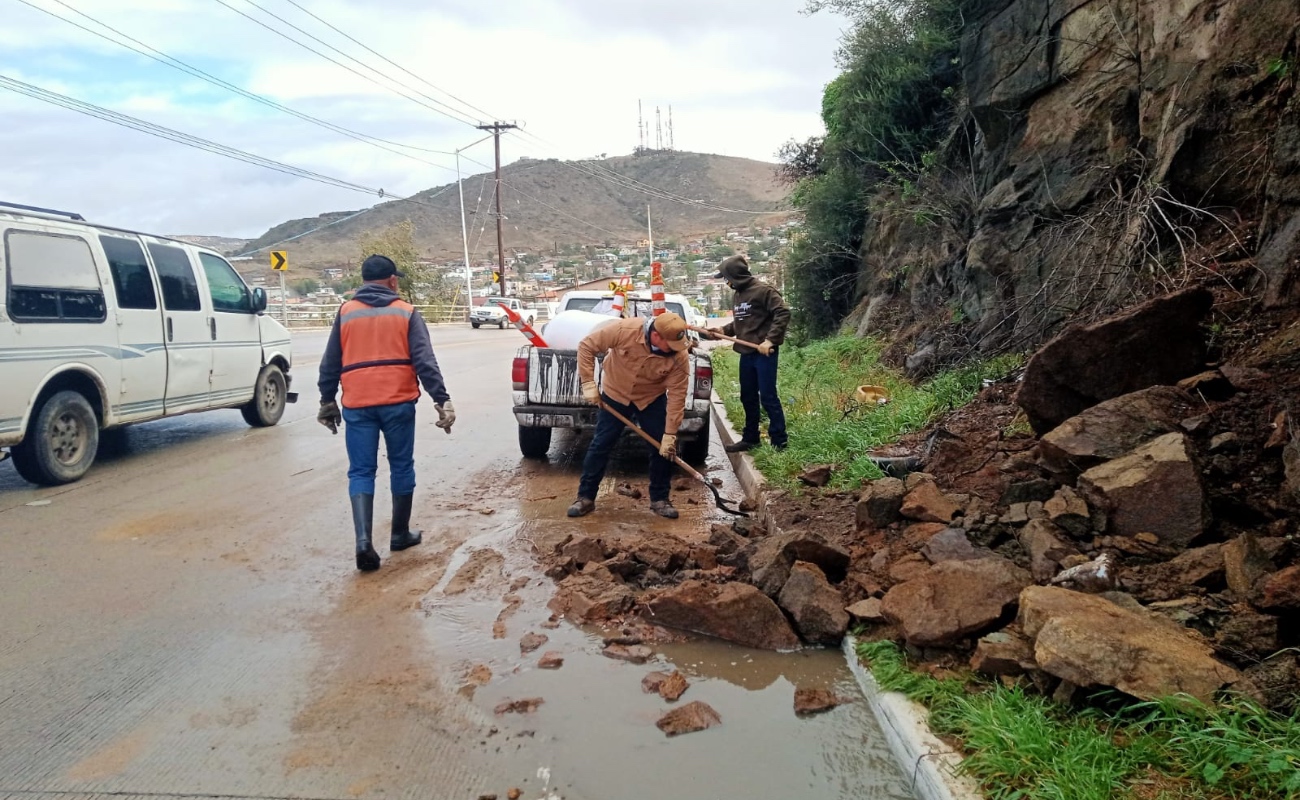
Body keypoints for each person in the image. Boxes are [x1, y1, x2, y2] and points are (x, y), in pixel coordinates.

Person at [317, 254, 455, 572]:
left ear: (363, 281)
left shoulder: (346, 312)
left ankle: (363, 542)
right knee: (401, 465)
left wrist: (327, 399)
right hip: (397, 402)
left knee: (361, 471)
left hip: (358, 404)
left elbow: (330, 362)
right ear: (392, 280)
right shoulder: (406, 312)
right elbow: (425, 361)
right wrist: (442, 398)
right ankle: (399, 534)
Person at [568, 312, 691, 520]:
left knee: (662, 447)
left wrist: (670, 433)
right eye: (669, 344)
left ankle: (660, 499)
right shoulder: (624, 330)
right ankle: (585, 497)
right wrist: (588, 382)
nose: (674, 350)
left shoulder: (679, 357)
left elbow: (677, 397)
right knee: (601, 444)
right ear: (656, 336)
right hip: (615, 393)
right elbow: (587, 345)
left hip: (650, 398)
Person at [707, 254, 791, 452]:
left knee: (768, 396)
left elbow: (783, 312)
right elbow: (742, 323)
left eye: (727, 278)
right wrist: (723, 332)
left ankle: (780, 440)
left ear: (736, 275)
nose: (726, 282)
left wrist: (770, 340)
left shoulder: (764, 291)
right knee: (748, 396)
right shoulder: (738, 294)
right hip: (746, 353)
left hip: (764, 354)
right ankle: (751, 437)